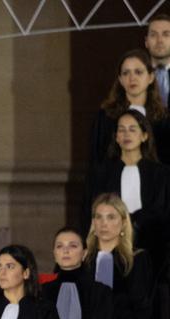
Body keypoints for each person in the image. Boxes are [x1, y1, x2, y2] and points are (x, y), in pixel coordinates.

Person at [85, 109, 170, 271]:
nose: (126, 134)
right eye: (121, 130)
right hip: (110, 246)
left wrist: (135, 222)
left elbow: (162, 211)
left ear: (144, 136)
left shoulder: (161, 174)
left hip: (154, 249)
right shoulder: (101, 173)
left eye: (132, 129)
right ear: (116, 137)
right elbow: (89, 211)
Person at [90, 49, 170, 167]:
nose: (132, 78)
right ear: (120, 80)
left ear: (151, 77)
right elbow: (96, 162)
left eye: (138, 72)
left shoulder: (163, 118)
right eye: (126, 73)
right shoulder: (106, 117)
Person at [145, 14, 170, 107]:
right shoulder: (134, 76)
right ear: (146, 42)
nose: (159, 40)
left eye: (166, 34)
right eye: (153, 35)